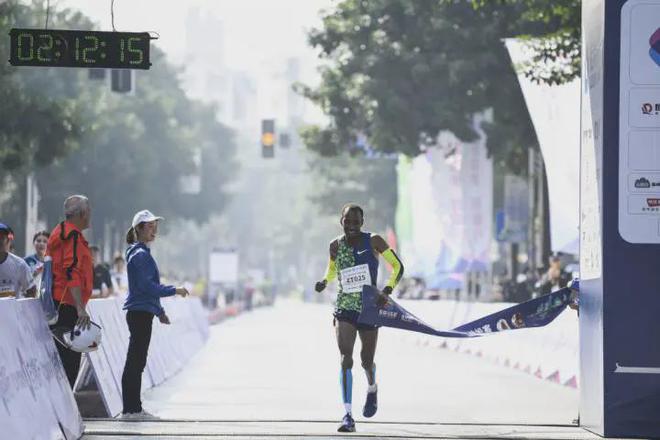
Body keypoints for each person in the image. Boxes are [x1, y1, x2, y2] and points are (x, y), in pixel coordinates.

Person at [315, 204, 404, 432]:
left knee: (366, 360)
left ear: (362, 223)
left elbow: (397, 266)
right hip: (345, 306)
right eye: (348, 221)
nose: (352, 226)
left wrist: (387, 291)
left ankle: (372, 387)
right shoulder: (335, 245)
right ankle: (347, 415)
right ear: (341, 221)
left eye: (356, 222)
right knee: (346, 358)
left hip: (369, 306)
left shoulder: (374, 241)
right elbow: (332, 269)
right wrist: (325, 281)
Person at [120, 209, 189, 419]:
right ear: (139, 229)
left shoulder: (140, 253)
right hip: (139, 313)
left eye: (155, 226)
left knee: (137, 361)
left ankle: (133, 408)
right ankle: (131, 409)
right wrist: (174, 290)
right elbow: (148, 287)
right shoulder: (140, 255)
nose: (154, 230)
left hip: (142, 312)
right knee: (135, 362)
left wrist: (159, 312)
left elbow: (147, 289)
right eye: (149, 226)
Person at [47, 195, 94, 388]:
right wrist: (80, 308)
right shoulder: (71, 236)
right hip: (66, 306)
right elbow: (71, 272)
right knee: (69, 363)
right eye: (89, 210)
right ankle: (65, 413)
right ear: (82, 213)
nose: (90, 215)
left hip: (62, 304)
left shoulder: (63, 231)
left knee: (66, 362)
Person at [0, 223, 36, 298]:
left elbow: (31, 290)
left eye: (1, 237)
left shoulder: (19, 264)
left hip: (11, 309)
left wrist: (22, 307)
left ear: (7, 241)